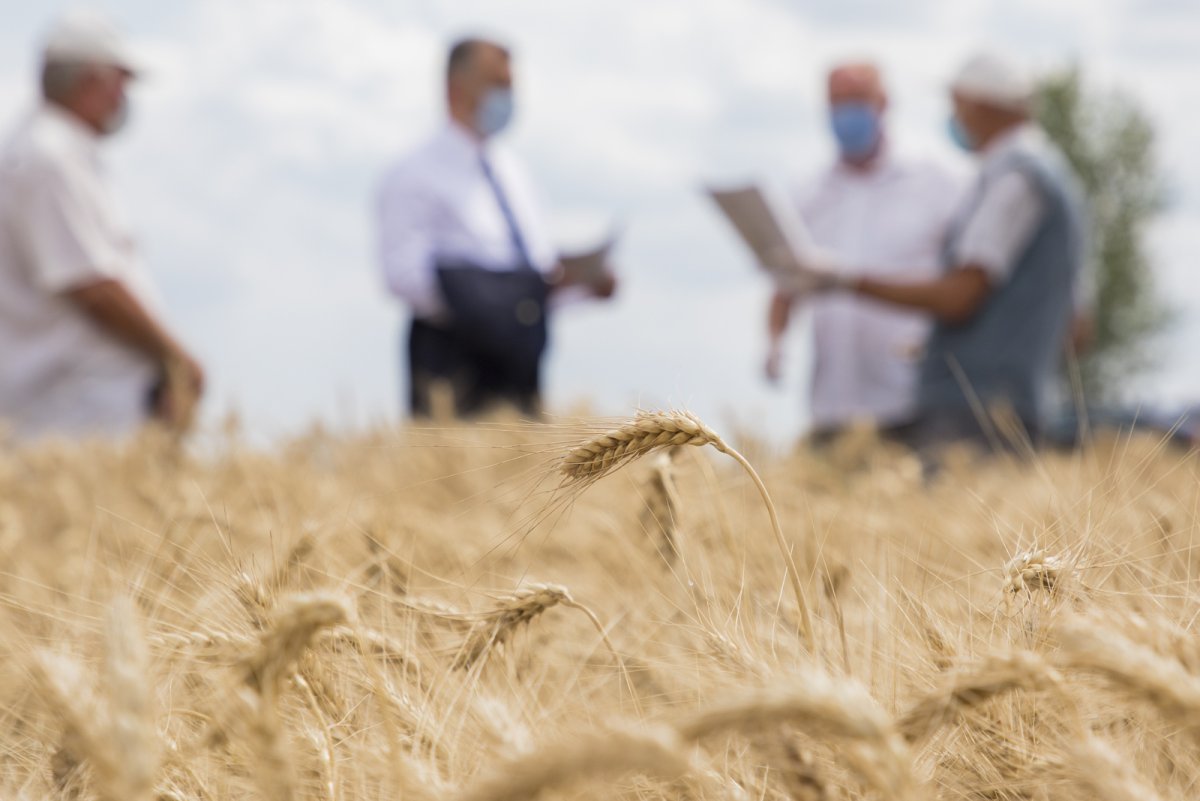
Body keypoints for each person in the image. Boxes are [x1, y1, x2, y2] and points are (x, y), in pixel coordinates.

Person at [793, 50, 1088, 454]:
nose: (955, 117)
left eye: (958, 104)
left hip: (976, 406)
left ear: (984, 105)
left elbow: (960, 295)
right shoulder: (1047, 176)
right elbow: (1078, 325)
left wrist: (847, 280)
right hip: (1008, 398)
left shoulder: (1016, 178)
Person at [377, 37, 614, 418]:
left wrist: (584, 285)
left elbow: (535, 276)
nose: (508, 96)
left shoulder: (514, 173)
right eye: (497, 85)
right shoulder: (413, 174)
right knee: (447, 476)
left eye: (511, 86)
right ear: (455, 89)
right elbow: (402, 276)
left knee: (524, 475)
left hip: (519, 361)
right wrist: (493, 302)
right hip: (451, 360)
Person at [0, 11, 204, 442]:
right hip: (75, 411)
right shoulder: (47, 157)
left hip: (71, 406)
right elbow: (89, 283)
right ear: (89, 81)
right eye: (120, 81)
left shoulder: (46, 149)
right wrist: (177, 360)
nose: (123, 97)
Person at [766, 62, 966, 443]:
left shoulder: (936, 182)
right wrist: (775, 342)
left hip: (911, 400)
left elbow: (963, 281)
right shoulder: (808, 192)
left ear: (884, 103)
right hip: (831, 401)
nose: (846, 114)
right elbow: (785, 282)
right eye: (837, 103)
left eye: (856, 100)